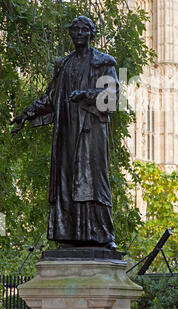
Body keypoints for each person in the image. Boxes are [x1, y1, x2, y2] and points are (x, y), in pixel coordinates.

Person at [11, 16, 119, 250]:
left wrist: (85, 95)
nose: (78, 34)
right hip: (67, 131)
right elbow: (50, 98)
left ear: (91, 33)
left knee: (93, 182)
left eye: (83, 29)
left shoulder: (103, 62)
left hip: (91, 132)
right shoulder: (64, 65)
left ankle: (102, 234)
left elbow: (111, 98)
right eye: (74, 30)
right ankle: (70, 234)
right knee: (67, 181)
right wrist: (26, 114)